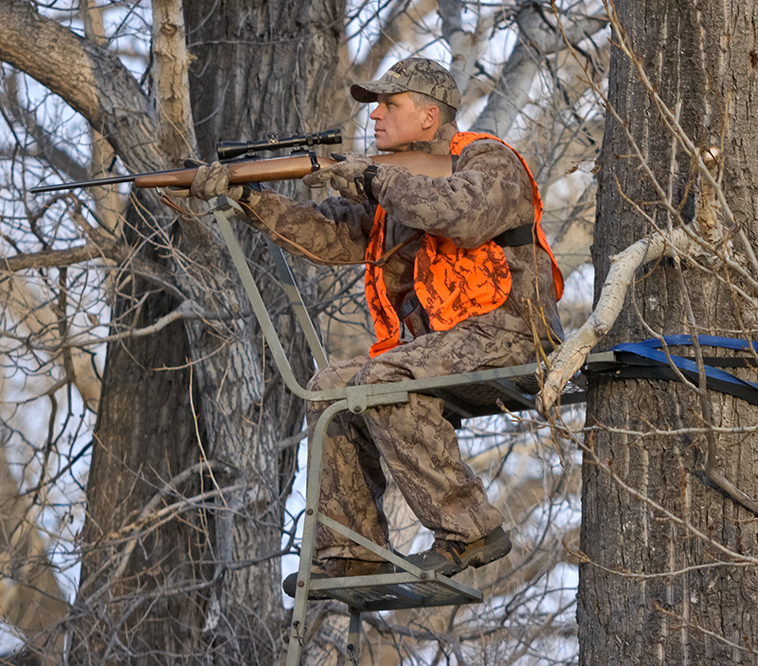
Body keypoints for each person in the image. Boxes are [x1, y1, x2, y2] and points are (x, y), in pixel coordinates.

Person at [189, 58, 565, 595]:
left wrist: (372, 177)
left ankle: (471, 530)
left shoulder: (487, 158)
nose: (375, 118)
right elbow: (328, 234)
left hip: (512, 335)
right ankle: (353, 554)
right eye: (374, 107)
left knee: (383, 378)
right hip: (447, 349)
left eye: (390, 105)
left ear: (431, 116)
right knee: (330, 387)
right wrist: (245, 197)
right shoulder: (391, 190)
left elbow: (464, 212)